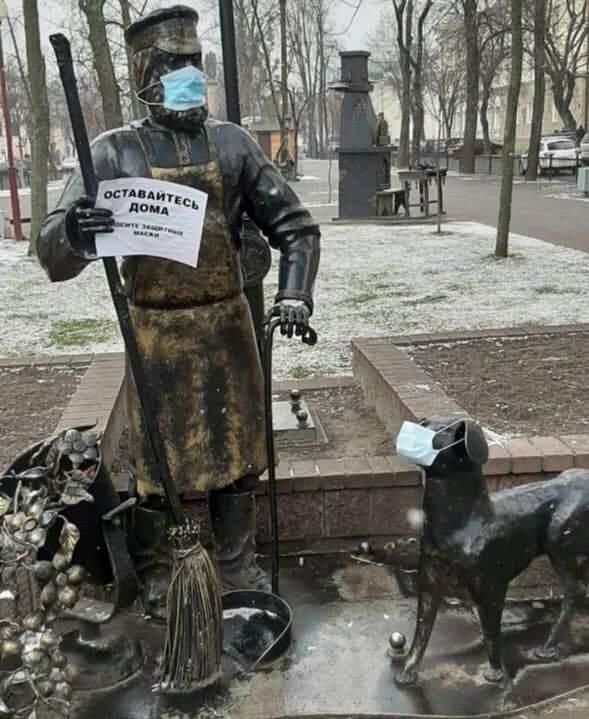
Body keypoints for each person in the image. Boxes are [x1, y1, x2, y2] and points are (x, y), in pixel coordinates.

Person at [38, 5, 320, 613]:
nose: (189, 77)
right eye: (174, 66)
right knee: (156, 463)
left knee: (237, 454)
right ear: (145, 73)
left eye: (195, 64)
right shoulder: (113, 153)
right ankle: (163, 568)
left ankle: (237, 560)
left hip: (227, 327)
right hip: (155, 336)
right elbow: (51, 250)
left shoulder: (233, 145)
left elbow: (296, 227)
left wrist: (295, 294)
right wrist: (77, 232)